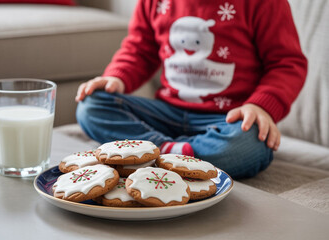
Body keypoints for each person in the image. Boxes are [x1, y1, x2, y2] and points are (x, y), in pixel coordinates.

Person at [75, 0, 307, 179]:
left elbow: (287, 63)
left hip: (227, 121)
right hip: (167, 113)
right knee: (91, 104)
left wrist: (260, 105)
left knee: (250, 143)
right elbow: (139, 49)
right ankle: (172, 151)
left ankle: (154, 155)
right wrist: (115, 77)